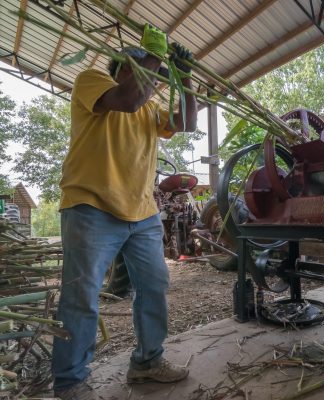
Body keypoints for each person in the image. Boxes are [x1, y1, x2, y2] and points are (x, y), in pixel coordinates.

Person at [52, 24, 197, 400]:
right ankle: (69, 382)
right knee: (80, 296)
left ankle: (148, 362)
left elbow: (188, 123)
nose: (154, 83)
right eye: (148, 70)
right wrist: (155, 56)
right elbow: (128, 100)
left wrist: (187, 82)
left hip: (142, 213)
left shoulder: (150, 108)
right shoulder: (92, 81)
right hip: (90, 206)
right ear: (125, 68)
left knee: (153, 286)